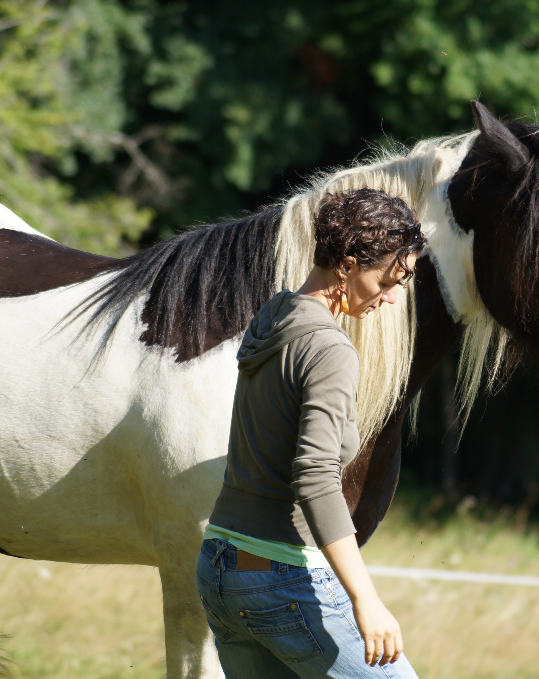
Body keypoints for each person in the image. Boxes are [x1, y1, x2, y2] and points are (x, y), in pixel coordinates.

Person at [196, 188, 425, 678]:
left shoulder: (274, 316)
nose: (392, 296)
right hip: (277, 577)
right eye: (390, 279)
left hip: (221, 562)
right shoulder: (328, 348)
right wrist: (366, 600)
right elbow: (316, 477)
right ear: (346, 265)